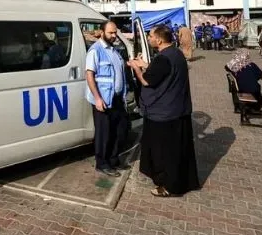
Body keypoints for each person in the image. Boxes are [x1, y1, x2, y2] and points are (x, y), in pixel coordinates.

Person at [127, 25, 199, 197]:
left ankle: (168, 186)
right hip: (177, 110)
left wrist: (136, 68)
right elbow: (162, 72)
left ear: (159, 39)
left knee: (164, 154)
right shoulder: (175, 54)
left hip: (164, 114)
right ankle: (178, 182)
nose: (149, 38)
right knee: (178, 151)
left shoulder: (163, 59)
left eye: (150, 36)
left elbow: (147, 81)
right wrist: (147, 65)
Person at [85, 21, 130, 177]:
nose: (114, 36)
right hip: (103, 99)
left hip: (116, 98)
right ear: (102, 32)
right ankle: (102, 164)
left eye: (115, 32)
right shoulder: (95, 51)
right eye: (110, 33)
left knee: (119, 131)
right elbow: (89, 75)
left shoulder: (114, 50)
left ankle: (113, 160)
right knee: (104, 133)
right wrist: (97, 99)